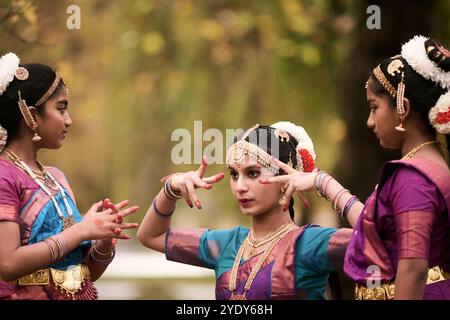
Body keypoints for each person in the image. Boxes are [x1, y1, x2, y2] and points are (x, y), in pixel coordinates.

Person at [261, 35, 450, 300]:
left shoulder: (413, 177)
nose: (370, 122)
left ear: (403, 108)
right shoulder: (429, 165)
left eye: (374, 108)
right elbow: (374, 231)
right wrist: (320, 182)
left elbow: (413, 268)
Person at [137, 122, 352, 300]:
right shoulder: (227, 244)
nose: (240, 186)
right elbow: (150, 235)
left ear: (285, 180)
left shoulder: (308, 244)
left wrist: (324, 182)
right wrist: (171, 188)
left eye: (253, 173)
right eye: (234, 174)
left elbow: (378, 240)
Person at [0, 52, 140, 300]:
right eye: (61, 109)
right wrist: (81, 230)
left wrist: (103, 240)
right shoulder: (5, 176)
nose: (69, 121)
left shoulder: (56, 178)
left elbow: (84, 273)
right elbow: (9, 264)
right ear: (31, 115)